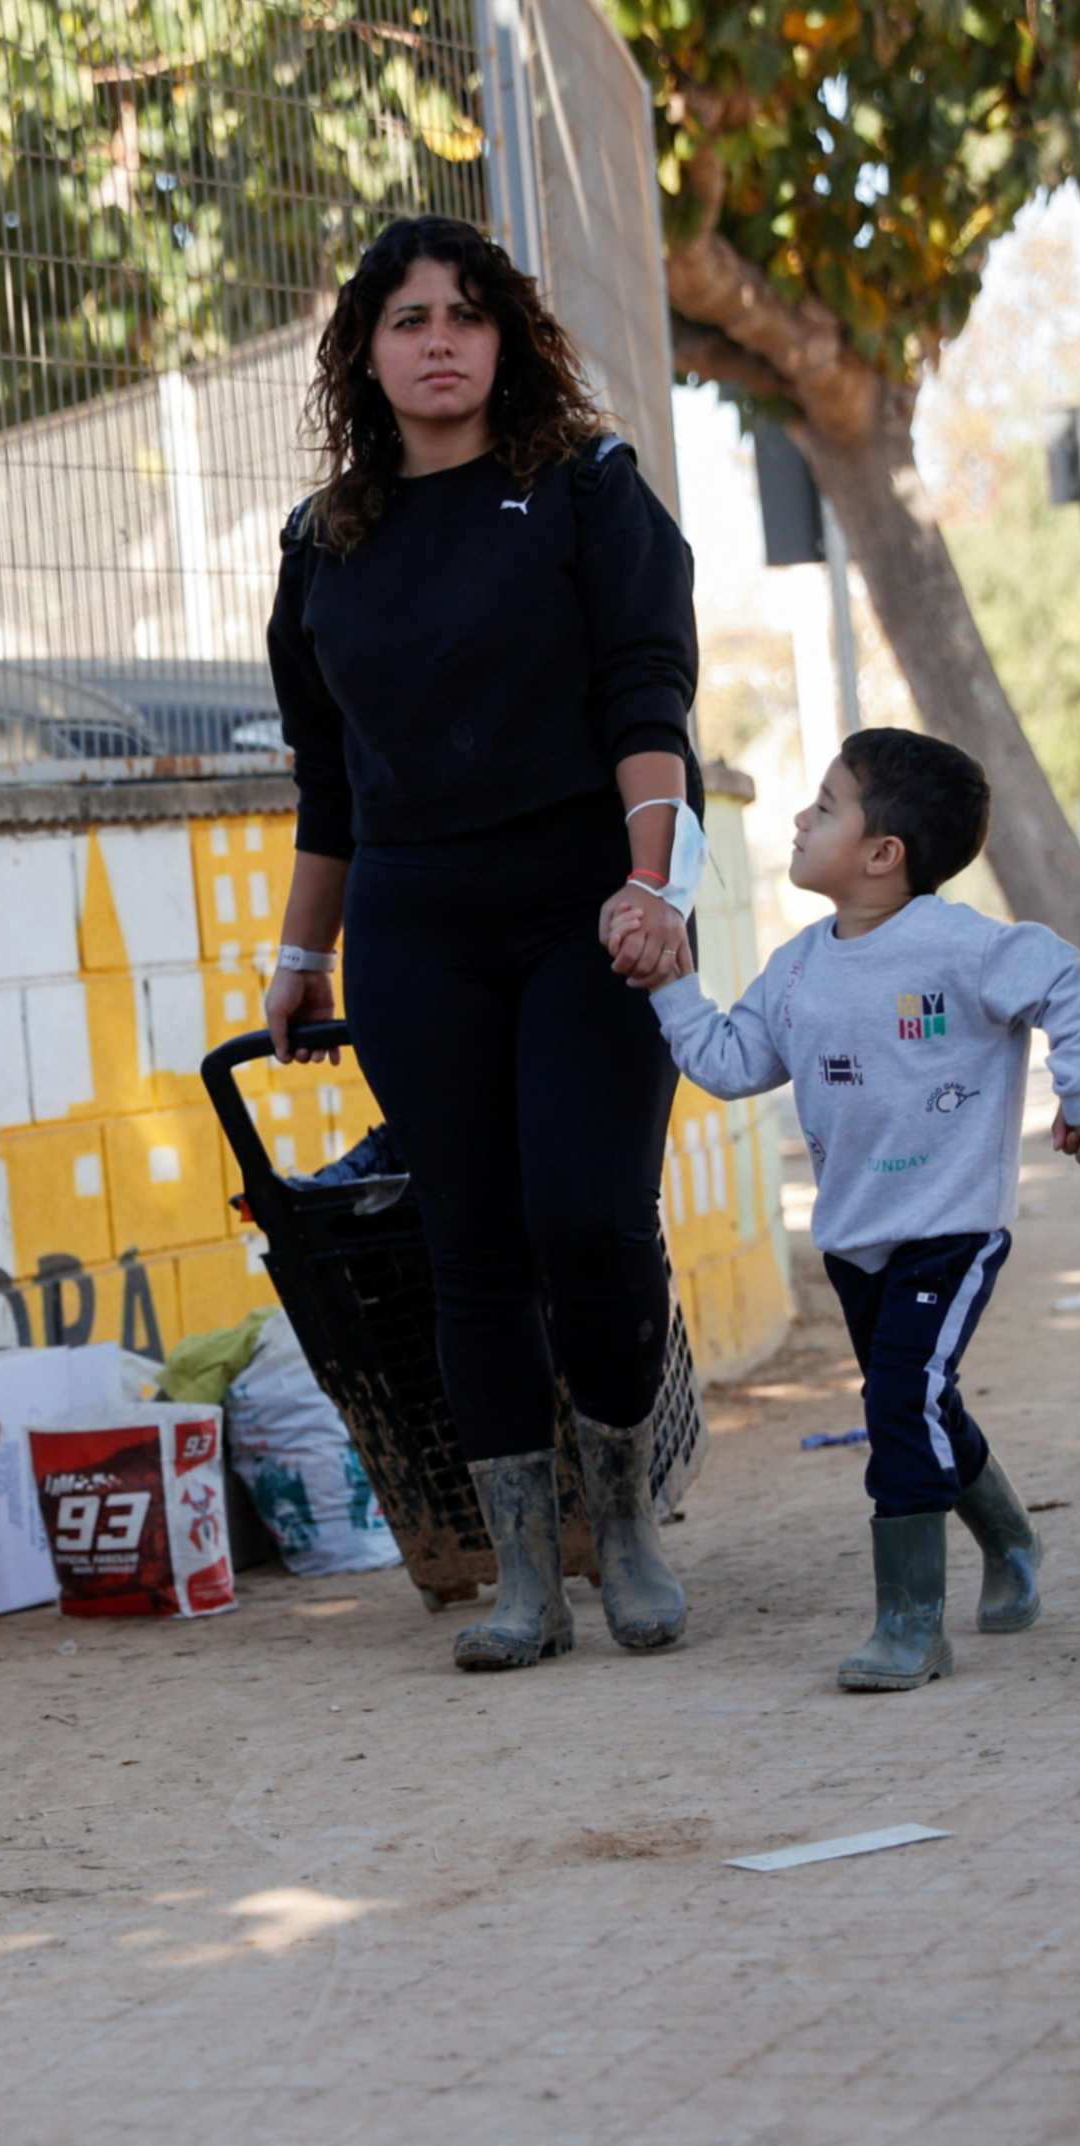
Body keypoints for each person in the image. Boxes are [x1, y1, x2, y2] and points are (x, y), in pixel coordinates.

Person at [260, 214, 704, 1675]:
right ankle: (524, 1572)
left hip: (589, 906)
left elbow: (650, 708)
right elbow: (331, 779)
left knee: (587, 1213)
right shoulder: (324, 543)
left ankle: (623, 1526)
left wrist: (657, 888)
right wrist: (298, 956)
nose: (437, 338)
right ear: (365, 352)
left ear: (506, 337)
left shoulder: (587, 492)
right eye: (406, 318)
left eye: (463, 313)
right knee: (468, 1242)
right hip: (414, 922)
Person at [633, 731, 1080, 1690]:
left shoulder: (967, 948)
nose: (799, 816)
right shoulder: (794, 968)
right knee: (924, 1399)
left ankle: (910, 1621)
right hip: (855, 1241)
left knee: (899, 1401)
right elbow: (733, 1063)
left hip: (951, 1228)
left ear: (881, 854)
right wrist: (672, 986)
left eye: (823, 805)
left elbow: (1071, 985)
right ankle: (1011, 1539)